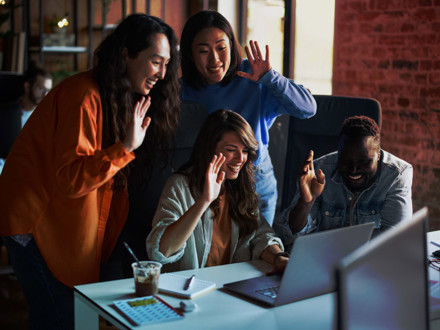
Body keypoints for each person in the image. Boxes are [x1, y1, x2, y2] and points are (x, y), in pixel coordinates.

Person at [0, 14, 180, 330]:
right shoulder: (83, 95)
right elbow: (71, 177)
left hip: (57, 217)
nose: (162, 73)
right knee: (58, 318)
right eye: (155, 61)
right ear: (126, 54)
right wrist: (126, 146)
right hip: (32, 219)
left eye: (166, 64)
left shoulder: (115, 95)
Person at [179, 10, 317, 225]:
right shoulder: (181, 91)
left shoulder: (253, 75)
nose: (215, 59)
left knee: (261, 252)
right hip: (207, 185)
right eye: (204, 51)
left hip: (255, 179)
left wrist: (271, 78)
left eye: (221, 48)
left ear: (231, 46)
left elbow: (308, 109)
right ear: (190, 54)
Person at [147, 110, 289, 273]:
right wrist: (204, 201)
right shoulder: (179, 185)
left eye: (244, 151)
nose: (240, 158)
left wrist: (279, 258)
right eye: (231, 149)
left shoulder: (239, 187)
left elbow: (261, 236)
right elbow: (162, 251)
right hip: (187, 291)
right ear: (210, 149)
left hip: (230, 286)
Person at [273, 116, 413, 251]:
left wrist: (333, 244)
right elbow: (287, 236)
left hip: (369, 260)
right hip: (323, 259)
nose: (353, 170)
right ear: (338, 152)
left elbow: (397, 238)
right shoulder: (319, 171)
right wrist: (306, 202)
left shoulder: (396, 175)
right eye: (345, 160)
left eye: (364, 161)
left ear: (378, 154)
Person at [0, 62, 52, 174]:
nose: (45, 95)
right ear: (28, 86)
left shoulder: (45, 122)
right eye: (41, 88)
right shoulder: (6, 113)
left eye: (48, 91)